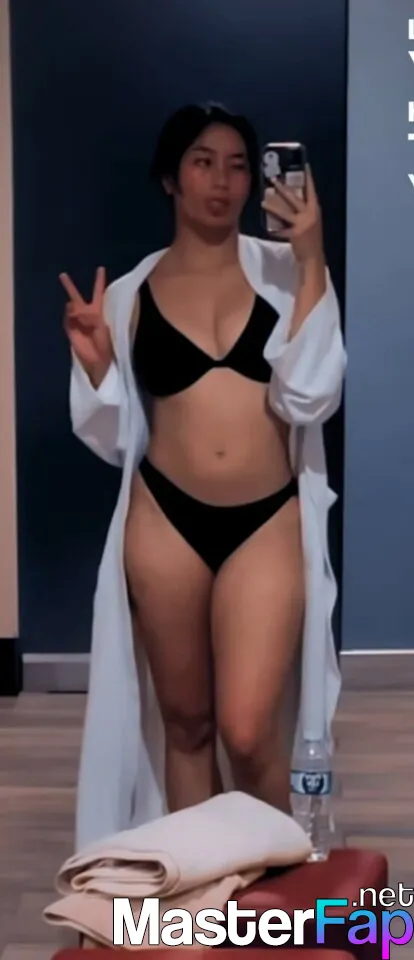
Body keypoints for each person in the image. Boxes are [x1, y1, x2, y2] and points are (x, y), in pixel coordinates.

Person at [60, 102, 346, 852]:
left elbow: (313, 396)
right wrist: (98, 368)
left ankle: (280, 889)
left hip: (266, 518)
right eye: (203, 162)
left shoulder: (288, 273)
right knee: (186, 725)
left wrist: (312, 257)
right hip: (165, 520)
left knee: (247, 730)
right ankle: (204, 894)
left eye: (239, 166)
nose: (223, 181)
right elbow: (115, 438)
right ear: (170, 177)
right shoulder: (128, 294)